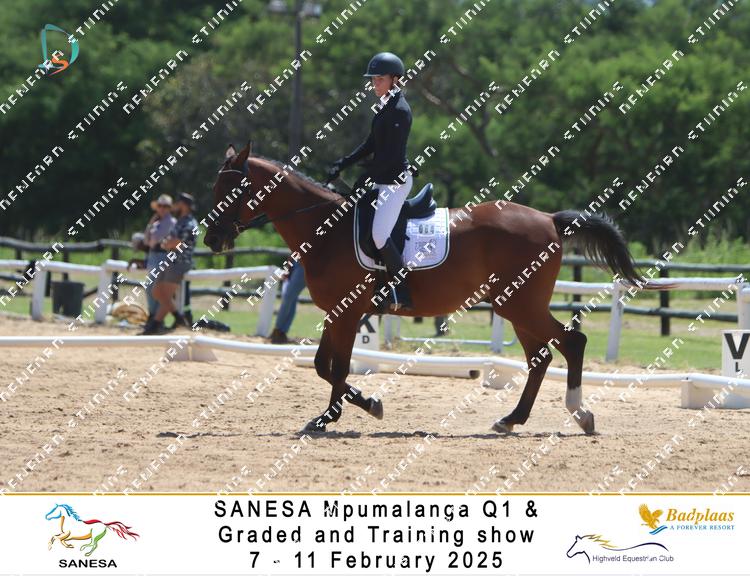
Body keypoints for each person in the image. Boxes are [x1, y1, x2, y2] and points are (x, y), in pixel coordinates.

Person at [327, 52, 414, 310]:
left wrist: (365, 177)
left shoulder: (399, 110)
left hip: (395, 183)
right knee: (360, 226)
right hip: (381, 179)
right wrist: (344, 162)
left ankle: (402, 291)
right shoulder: (385, 106)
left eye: (380, 79)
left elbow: (390, 157)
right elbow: (371, 144)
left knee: (378, 235)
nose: (375, 83)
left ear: (395, 80)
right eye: (373, 79)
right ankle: (377, 283)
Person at [141, 192, 197, 335]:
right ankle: (178, 317)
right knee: (156, 291)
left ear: (184, 205)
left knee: (165, 293)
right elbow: (168, 242)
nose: (175, 206)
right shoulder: (180, 221)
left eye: (178, 203)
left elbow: (176, 243)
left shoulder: (189, 223)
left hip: (180, 261)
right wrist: (169, 243)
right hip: (170, 260)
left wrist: (169, 243)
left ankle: (155, 324)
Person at [143, 194, 176, 324]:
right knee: (151, 286)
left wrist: (151, 225)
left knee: (153, 287)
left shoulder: (171, 222)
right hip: (153, 256)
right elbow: (147, 241)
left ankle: (155, 317)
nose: (162, 208)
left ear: (169, 208)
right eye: (160, 206)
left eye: (165, 206)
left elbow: (153, 240)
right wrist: (151, 223)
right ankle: (154, 316)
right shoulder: (156, 223)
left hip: (163, 256)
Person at [268, 258, 306, 344]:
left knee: (288, 296)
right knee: (291, 298)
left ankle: (278, 330)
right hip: (297, 262)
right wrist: (289, 265)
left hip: (304, 263)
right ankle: (281, 332)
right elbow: (295, 251)